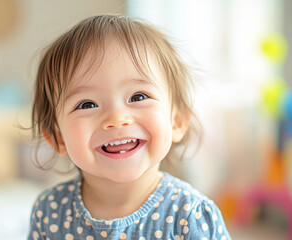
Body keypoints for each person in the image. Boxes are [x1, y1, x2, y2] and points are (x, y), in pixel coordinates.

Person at [28, 15, 231, 240]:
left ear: (177, 121)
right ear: (58, 138)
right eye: (87, 104)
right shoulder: (50, 211)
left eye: (138, 96)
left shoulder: (190, 216)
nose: (116, 118)